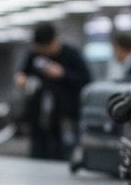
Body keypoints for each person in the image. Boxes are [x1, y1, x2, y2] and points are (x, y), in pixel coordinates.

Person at [15, 22, 91, 160]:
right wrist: (22, 79)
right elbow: (22, 72)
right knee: (38, 150)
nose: (42, 52)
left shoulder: (71, 54)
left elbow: (86, 80)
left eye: (45, 48)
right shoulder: (34, 55)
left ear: (53, 41)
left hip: (65, 115)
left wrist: (63, 74)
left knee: (63, 150)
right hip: (39, 114)